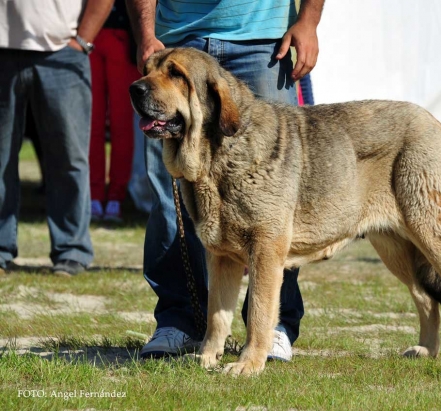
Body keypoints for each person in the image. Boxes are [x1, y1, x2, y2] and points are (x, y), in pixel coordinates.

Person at [126, 0, 323, 360]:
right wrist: (146, 34)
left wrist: (309, 20)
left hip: (264, 40)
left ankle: (274, 328)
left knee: (274, 210)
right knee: (171, 199)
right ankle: (179, 322)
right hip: (175, 37)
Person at [0, 0, 114, 276]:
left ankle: (71, 250)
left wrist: (82, 41)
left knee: (68, 157)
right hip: (2, 50)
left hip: (63, 51)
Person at [90, 0, 140, 223]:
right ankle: (94, 195)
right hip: (89, 35)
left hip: (122, 37)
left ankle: (116, 197)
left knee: (122, 124)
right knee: (92, 122)